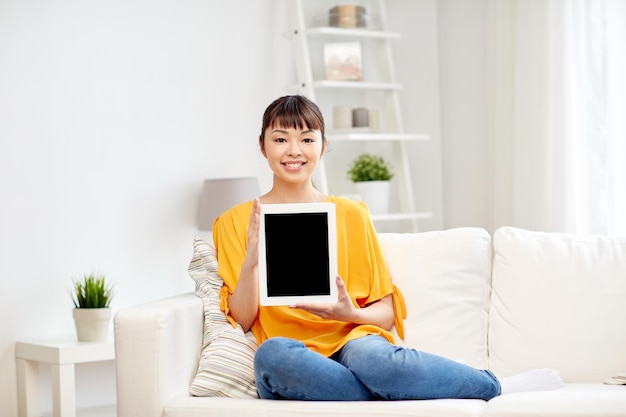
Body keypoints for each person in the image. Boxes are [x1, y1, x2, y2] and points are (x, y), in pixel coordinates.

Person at [212, 95, 565, 401]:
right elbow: (241, 320)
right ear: (263, 146)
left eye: (306, 138)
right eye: (280, 139)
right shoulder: (234, 221)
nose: (294, 151)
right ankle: (390, 389)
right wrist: (252, 264)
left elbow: (385, 310)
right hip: (292, 353)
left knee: (375, 360)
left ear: (323, 145)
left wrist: (348, 314)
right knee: (272, 356)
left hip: (353, 342)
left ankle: (493, 385)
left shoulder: (350, 214)